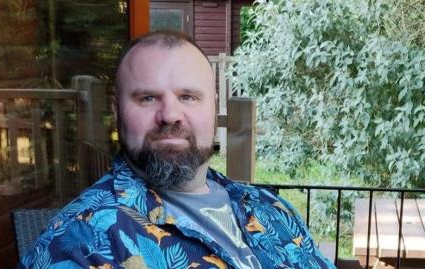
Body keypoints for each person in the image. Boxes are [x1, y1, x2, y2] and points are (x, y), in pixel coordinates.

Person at [18, 31, 335, 269]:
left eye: (188, 96)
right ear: (116, 112)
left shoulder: (271, 208)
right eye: (147, 98)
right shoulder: (79, 240)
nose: (169, 114)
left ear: (213, 108)